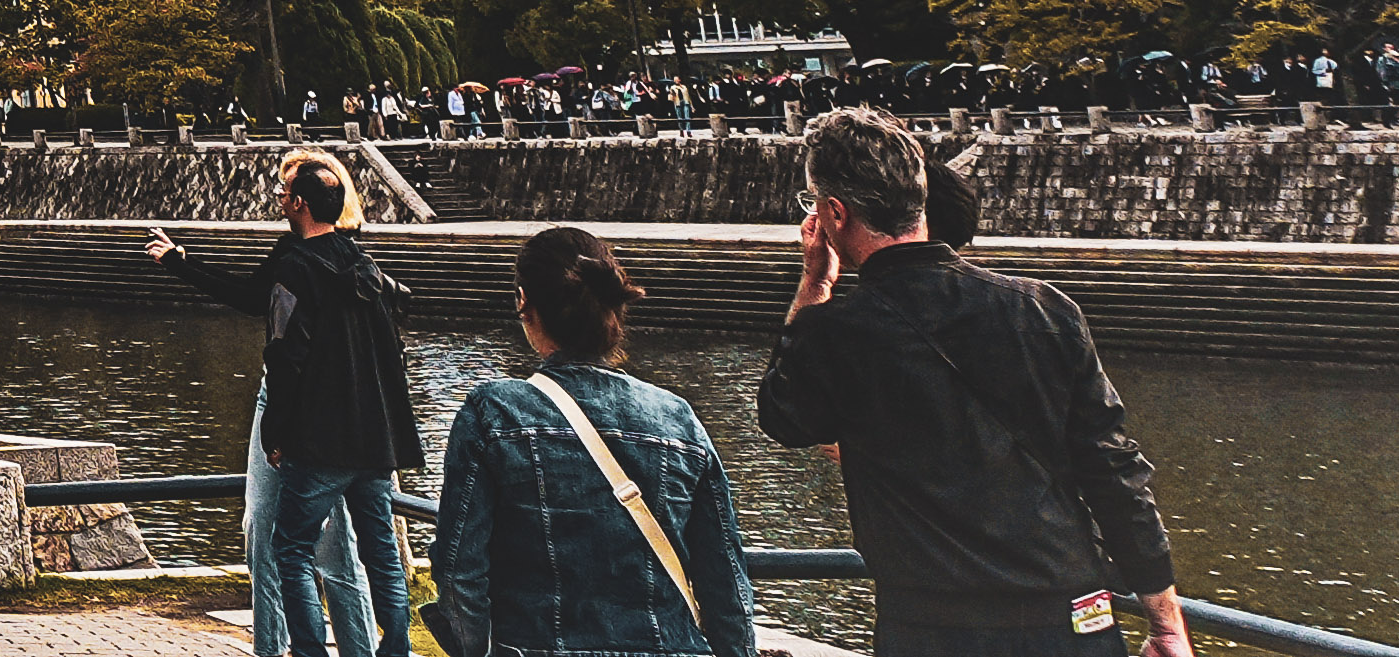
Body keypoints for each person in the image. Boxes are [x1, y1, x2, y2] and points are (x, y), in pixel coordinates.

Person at [758, 109, 1181, 657]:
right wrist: (1165, 621)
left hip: (933, 621)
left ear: (834, 212)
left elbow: (783, 417)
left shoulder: (837, 332)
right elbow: (1113, 470)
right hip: (1073, 611)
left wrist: (815, 282)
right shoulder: (1045, 309)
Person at [435, 227, 756, 657]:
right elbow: (725, 579)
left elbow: (460, 569)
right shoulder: (679, 417)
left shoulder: (494, 413)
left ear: (523, 302)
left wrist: (474, 648)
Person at [150, 148, 419, 657]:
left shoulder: (295, 268)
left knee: (292, 549)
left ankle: (310, 651)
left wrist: (277, 435)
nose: (276, 197)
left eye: (282, 191)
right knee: (379, 551)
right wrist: (183, 264)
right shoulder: (362, 264)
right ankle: (396, 649)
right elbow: (390, 354)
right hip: (371, 435)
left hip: (319, 434)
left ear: (298, 202)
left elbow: (285, 357)